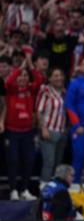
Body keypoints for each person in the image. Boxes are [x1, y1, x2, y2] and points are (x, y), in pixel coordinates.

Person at [5, 56, 45, 200]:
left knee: (28, 161)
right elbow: (9, 81)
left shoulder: (31, 90)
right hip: (12, 132)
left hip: (28, 132)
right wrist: (21, 68)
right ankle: (13, 190)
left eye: (25, 76)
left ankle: (24, 190)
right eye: (20, 76)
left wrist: (31, 66)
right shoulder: (11, 89)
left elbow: (39, 80)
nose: (22, 78)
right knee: (13, 161)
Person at [36, 68, 67, 182]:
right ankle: (44, 189)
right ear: (49, 78)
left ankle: (55, 188)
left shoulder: (64, 92)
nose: (59, 78)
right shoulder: (45, 91)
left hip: (62, 131)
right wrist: (43, 128)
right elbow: (39, 111)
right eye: (55, 76)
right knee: (49, 162)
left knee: (57, 164)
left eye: (60, 75)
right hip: (49, 131)